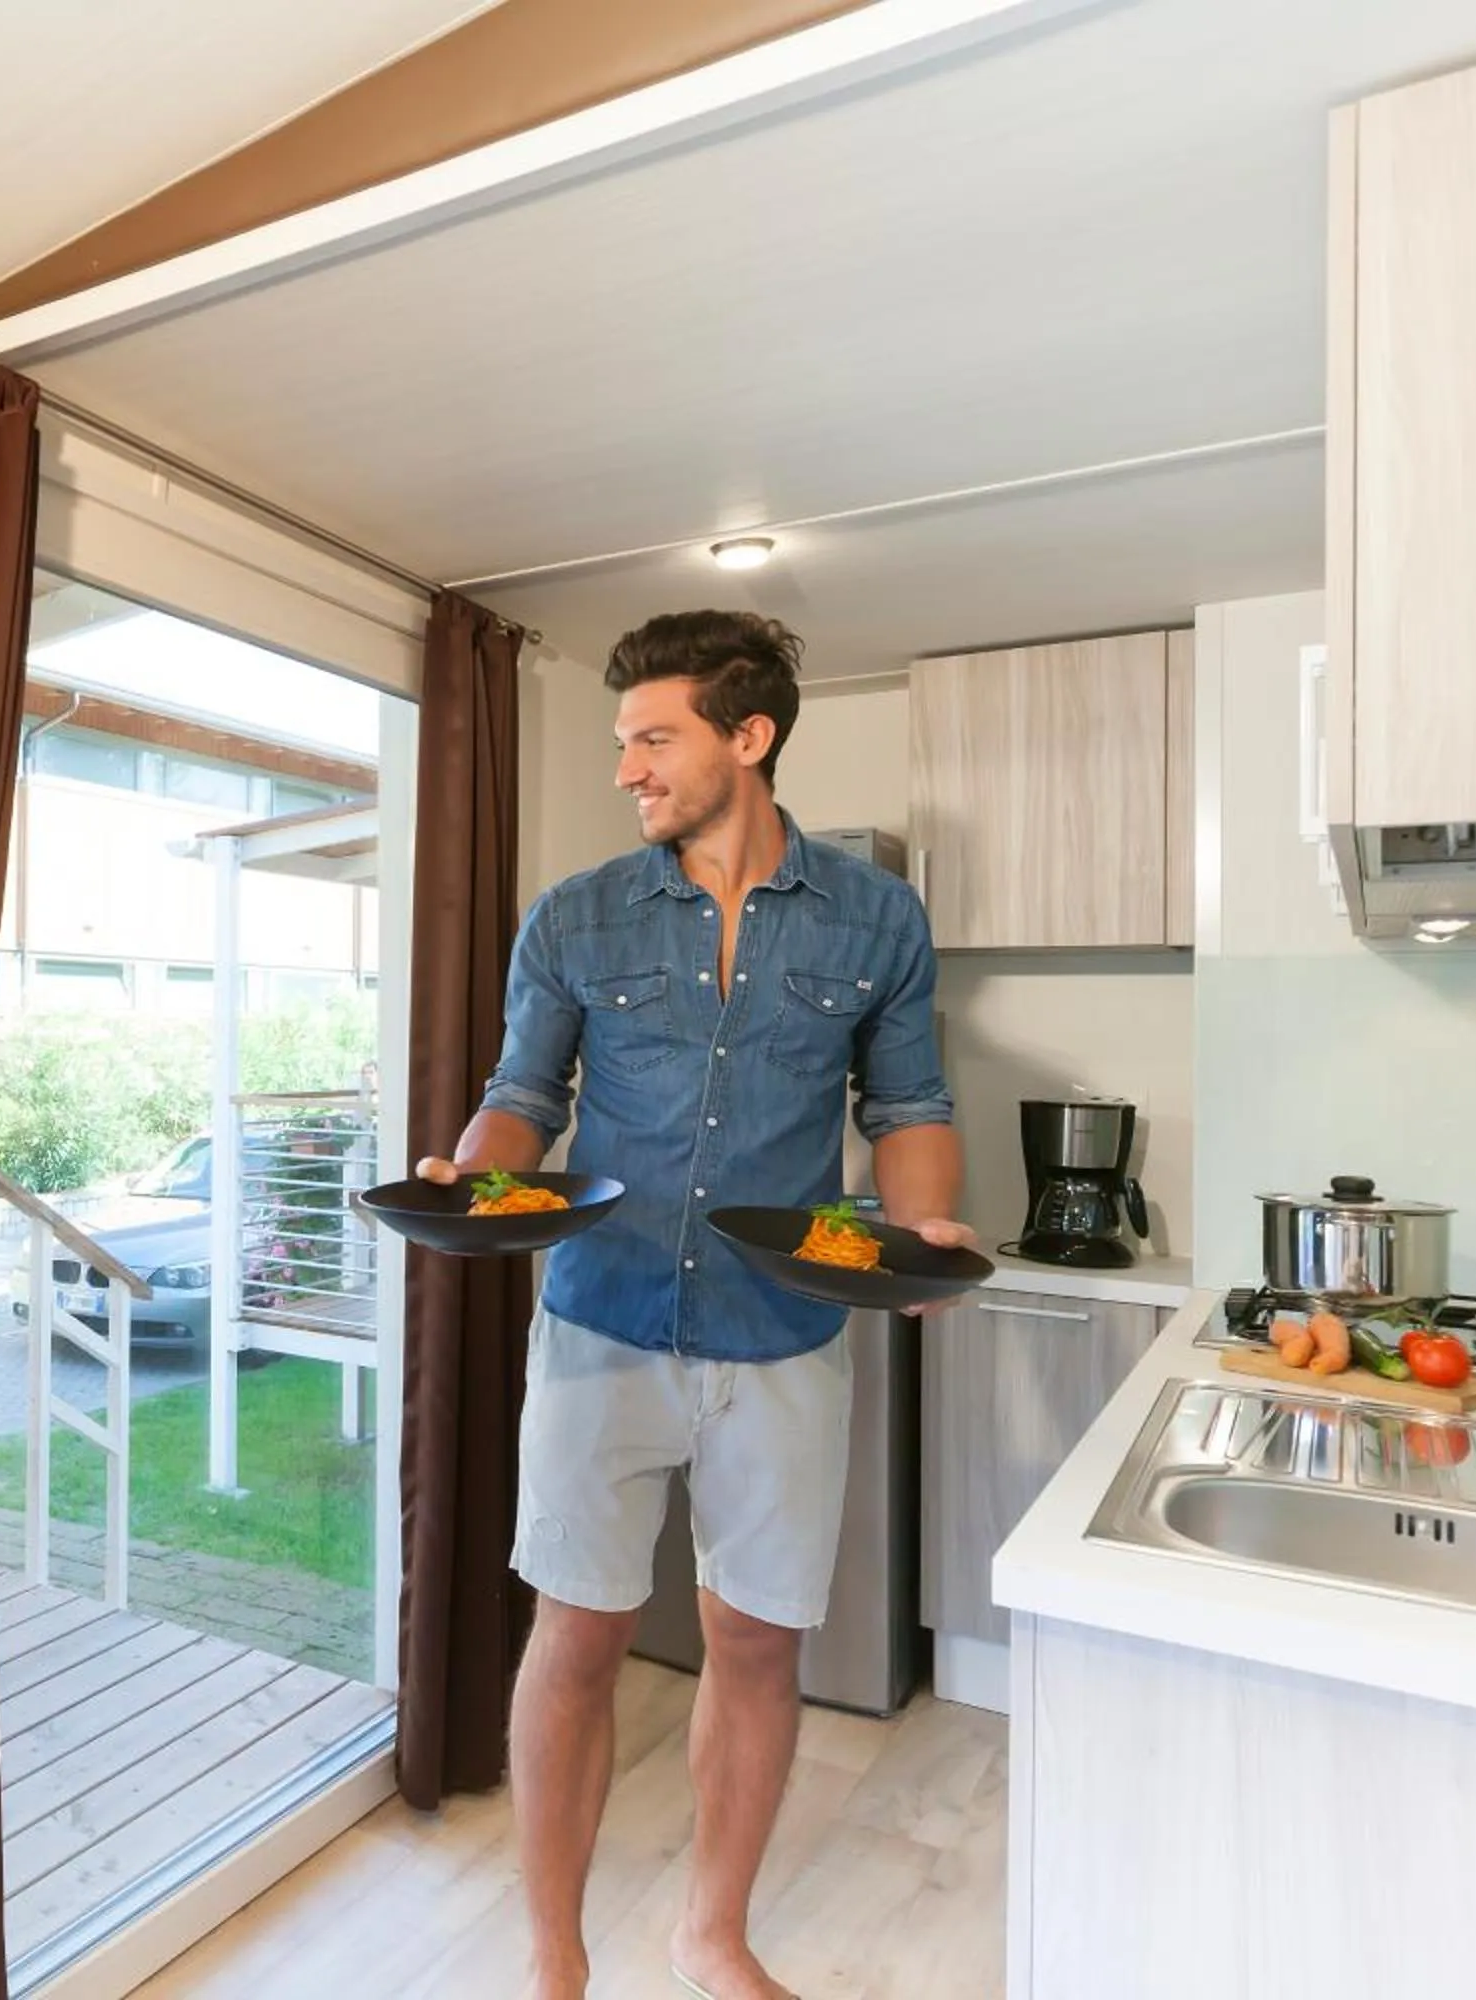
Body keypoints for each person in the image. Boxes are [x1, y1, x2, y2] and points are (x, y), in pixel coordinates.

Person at [415, 611, 971, 2000]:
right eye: (623, 742)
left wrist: (923, 1227)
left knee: (756, 1640)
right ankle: (554, 1955)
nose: (628, 768)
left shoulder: (878, 918)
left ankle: (711, 1934)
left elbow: (907, 1106)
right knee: (579, 1634)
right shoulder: (577, 914)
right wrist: (467, 1179)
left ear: (749, 738)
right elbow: (522, 1103)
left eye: (652, 738)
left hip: (782, 1332)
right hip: (600, 1318)